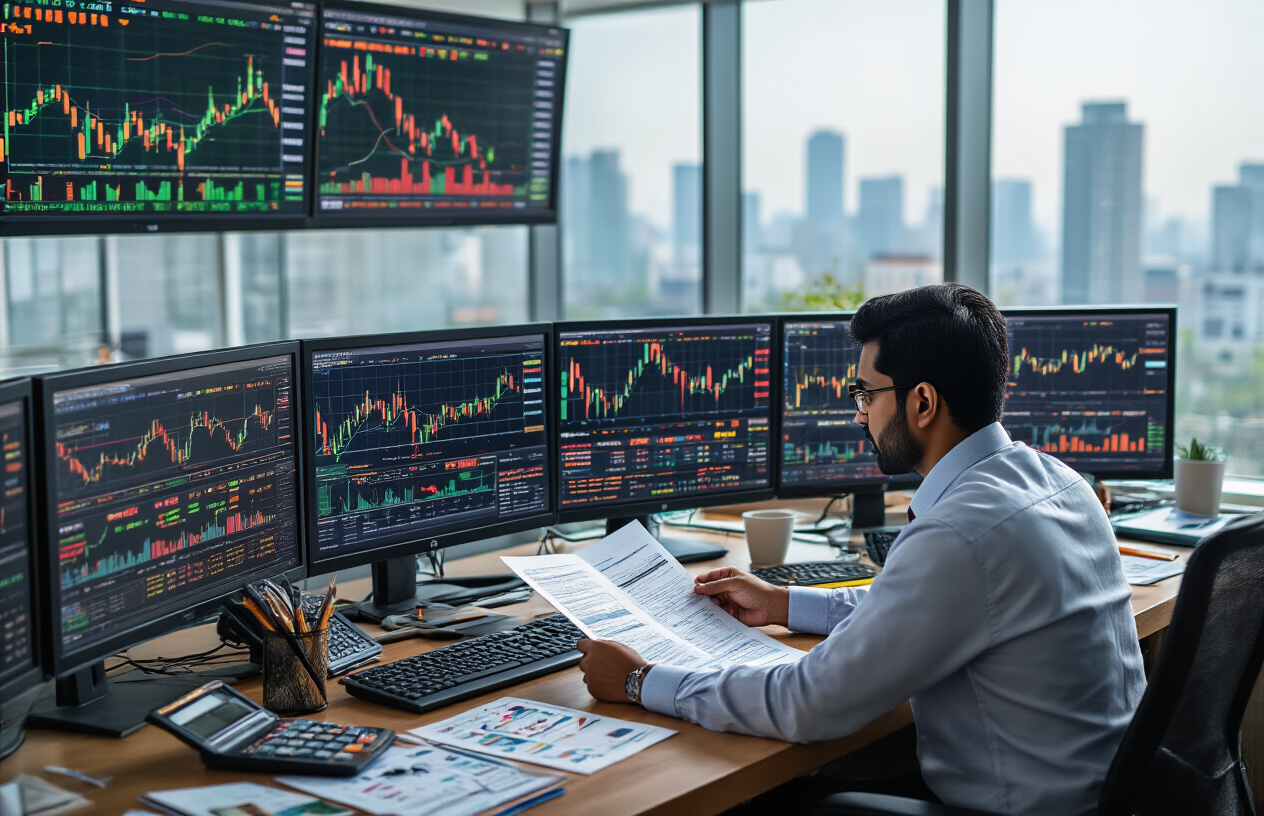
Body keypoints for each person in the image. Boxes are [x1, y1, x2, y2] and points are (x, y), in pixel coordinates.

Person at [576, 283, 1145, 816]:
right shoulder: (1059, 482)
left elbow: (812, 701)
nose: (858, 413)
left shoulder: (960, 533)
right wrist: (783, 603)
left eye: (866, 394)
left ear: (922, 402)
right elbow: (925, 604)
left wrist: (640, 681)